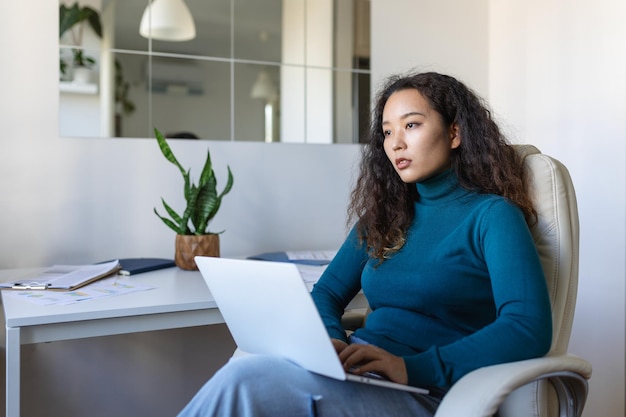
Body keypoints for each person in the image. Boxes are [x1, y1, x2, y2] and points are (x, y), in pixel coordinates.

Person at [177, 71, 553, 417]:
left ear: (454, 133)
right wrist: (331, 342)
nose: (396, 143)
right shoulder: (385, 216)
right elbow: (326, 293)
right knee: (247, 368)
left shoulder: (492, 216)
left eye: (412, 125)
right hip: (361, 376)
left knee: (246, 382)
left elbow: (527, 328)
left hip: (428, 391)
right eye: (388, 132)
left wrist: (409, 366)